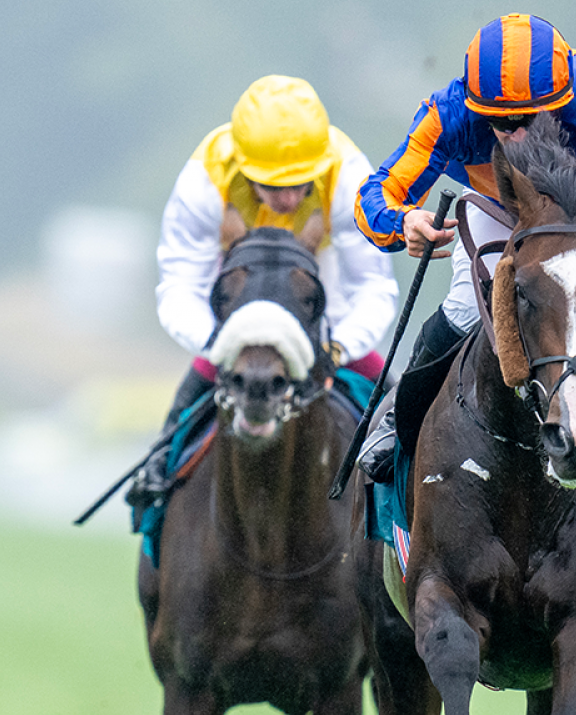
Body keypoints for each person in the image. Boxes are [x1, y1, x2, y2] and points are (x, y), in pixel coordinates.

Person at [353, 13, 576, 485]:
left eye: (525, 120)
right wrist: (402, 222)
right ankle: (397, 424)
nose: (513, 135)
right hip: (500, 210)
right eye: (499, 123)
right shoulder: (449, 112)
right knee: (463, 307)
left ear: (562, 101)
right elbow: (378, 192)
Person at [131, 75, 399, 508]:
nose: (291, 199)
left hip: (317, 283)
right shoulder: (205, 178)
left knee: (398, 398)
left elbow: (373, 287)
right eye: (274, 186)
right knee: (192, 392)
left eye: (302, 183)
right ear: (243, 163)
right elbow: (181, 285)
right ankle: (158, 473)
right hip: (239, 295)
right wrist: (219, 342)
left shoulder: (349, 175)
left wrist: (338, 346)